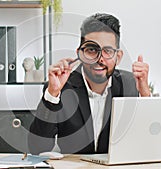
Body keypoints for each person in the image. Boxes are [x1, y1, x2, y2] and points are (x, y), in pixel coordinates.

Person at [28, 13, 150, 154]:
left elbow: (149, 143)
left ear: (118, 57)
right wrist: (52, 94)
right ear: (80, 54)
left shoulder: (130, 84)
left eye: (108, 51)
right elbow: (37, 149)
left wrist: (144, 94)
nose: (100, 59)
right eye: (92, 50)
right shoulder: (61, 87)